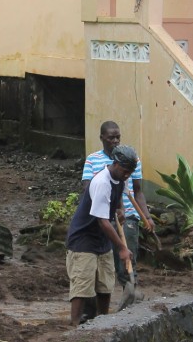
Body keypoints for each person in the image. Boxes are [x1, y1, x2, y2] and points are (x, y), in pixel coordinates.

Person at [66, 145, 138, 326]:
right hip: (83, 239)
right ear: (115, 164)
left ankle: (102, 322)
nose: (127, 175)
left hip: (102, 238)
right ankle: (74, 324)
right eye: (125, 171)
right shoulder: (101, 182)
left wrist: (120, 209)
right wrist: (122, 248)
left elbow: (118, 197)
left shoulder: (120, 178)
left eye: (130, 172)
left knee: (105, 285)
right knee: (83, 286)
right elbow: (103, 221)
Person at [82, 121, 155, 292]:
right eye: (111, 138)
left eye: (118, 137)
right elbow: (87, 189)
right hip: (102, 215)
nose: (115, 141)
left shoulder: (131, 158)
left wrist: (147, 216)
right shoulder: (93, 159)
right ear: (102, 138)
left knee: (127, 258)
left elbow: (137, 191)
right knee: (102, 260)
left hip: (127, 215)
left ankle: (130, 291)